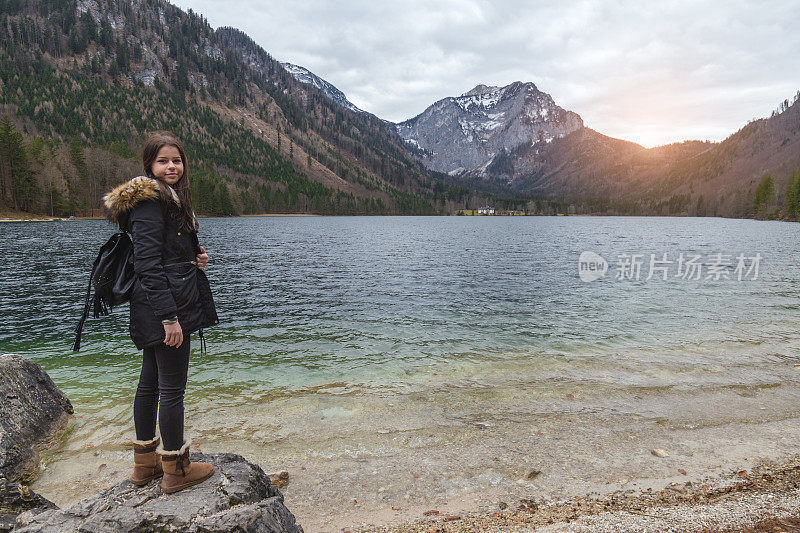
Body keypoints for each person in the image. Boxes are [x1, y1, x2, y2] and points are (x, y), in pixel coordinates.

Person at [102, 131, 219, 493]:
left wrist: (193, 257)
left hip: (157, 302)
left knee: (150, 383)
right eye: (163, 161)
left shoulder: (167, 200)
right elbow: (148, 265)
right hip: (165, 306)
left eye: (177, 160)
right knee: (171, 389)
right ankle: (176, 470)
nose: (172, 167)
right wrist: (170, 318)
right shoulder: (152, 202)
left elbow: (162, 253)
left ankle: (144, 466)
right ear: (149, 166)